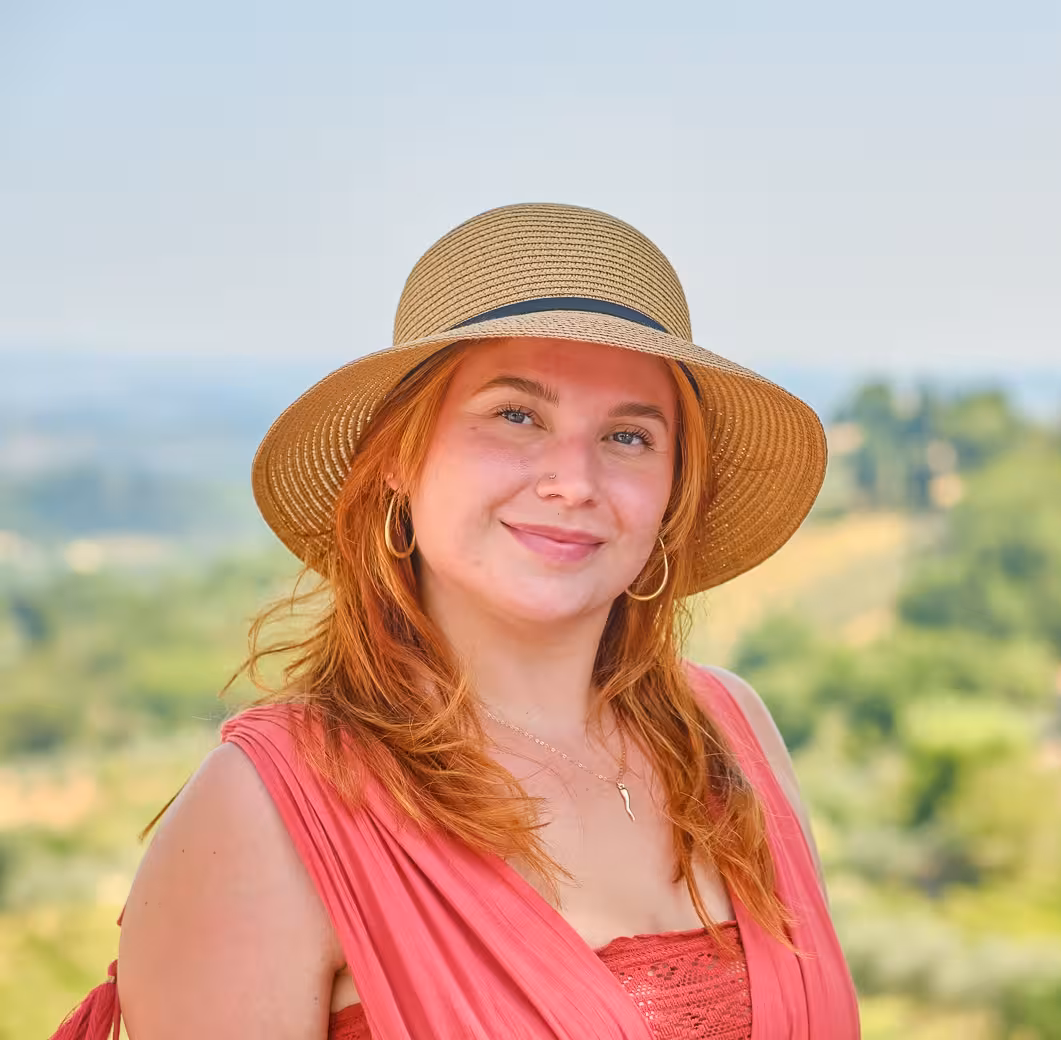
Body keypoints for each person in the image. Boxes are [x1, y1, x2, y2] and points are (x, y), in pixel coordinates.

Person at [54, 203, 859, 1039]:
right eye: (516, 416)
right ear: (401, 456)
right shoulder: (265, 813)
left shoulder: (733, 732)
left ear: (670, 495)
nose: (573, 481)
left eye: (627, 436)